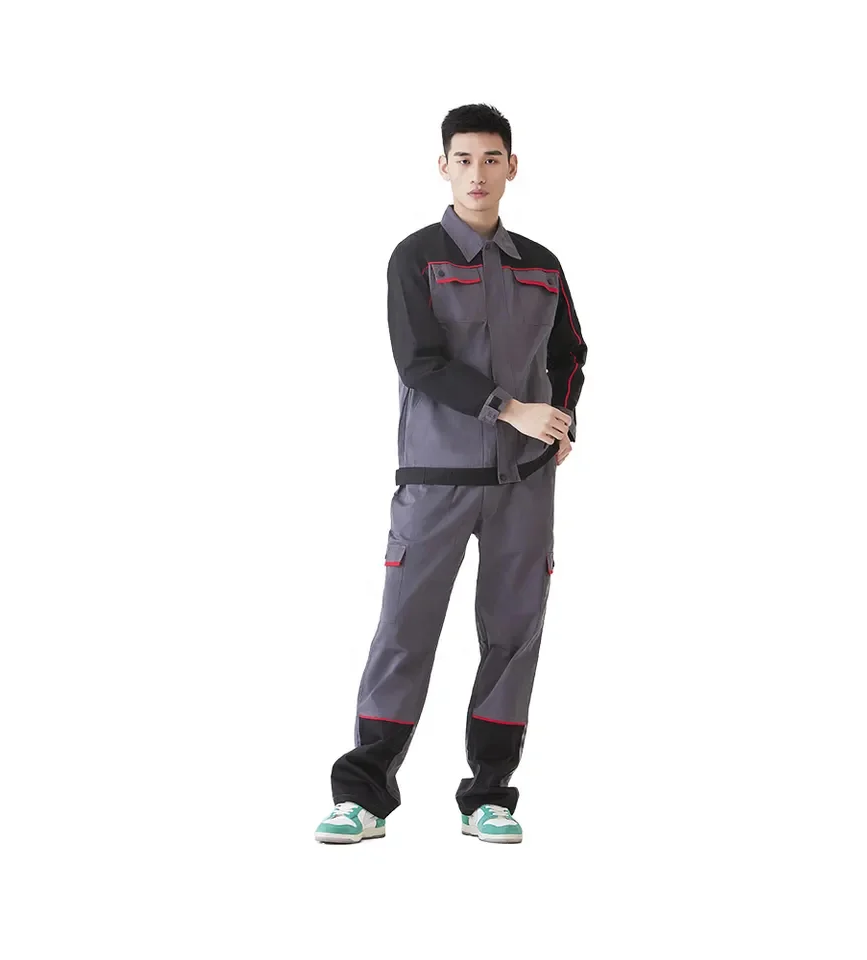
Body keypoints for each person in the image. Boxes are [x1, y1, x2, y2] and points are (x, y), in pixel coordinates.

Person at [315, 103, 587, 844]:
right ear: (444, 166)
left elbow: (570, 353)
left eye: (491, 158)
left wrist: (560, 422)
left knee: (514, 635)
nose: (477, 173)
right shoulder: (417, 256)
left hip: (523, 484)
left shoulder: (542, 265)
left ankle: (490, 796)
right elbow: (420, 362)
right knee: (405, 629)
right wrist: (513, 409)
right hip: (436, 478)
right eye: (463, 159)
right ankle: (363, 796)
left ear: (512, 167)